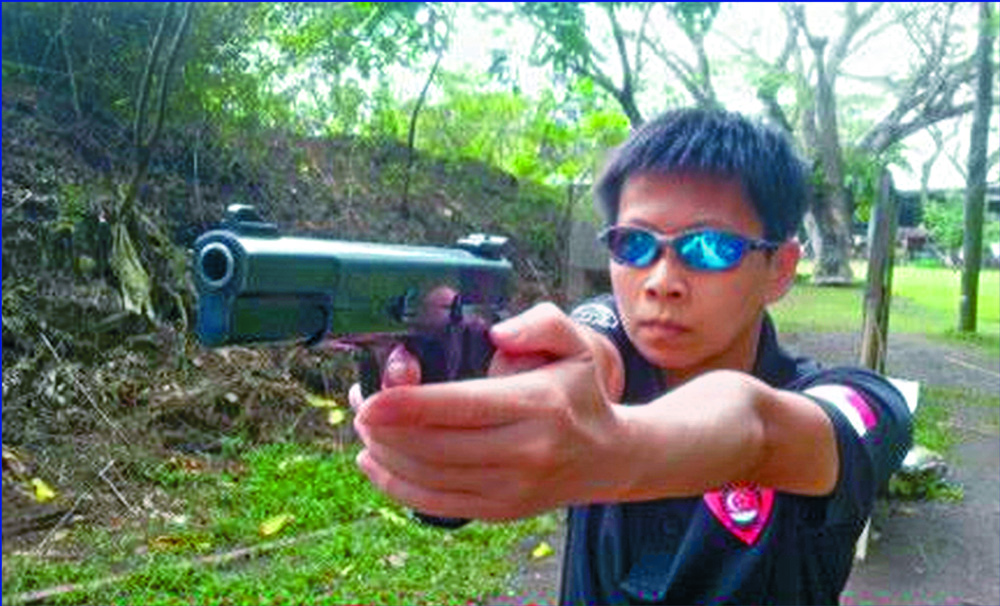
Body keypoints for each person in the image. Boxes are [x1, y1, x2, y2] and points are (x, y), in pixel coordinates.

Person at [348, 108, 913, 605]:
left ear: (780, 269)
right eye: (634, 244)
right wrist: (447, 425)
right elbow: (593, 350)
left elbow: (759, 429)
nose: (661, 281)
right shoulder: (609, 335)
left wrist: (613, 446)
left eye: (710, 247)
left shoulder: (857, 399)